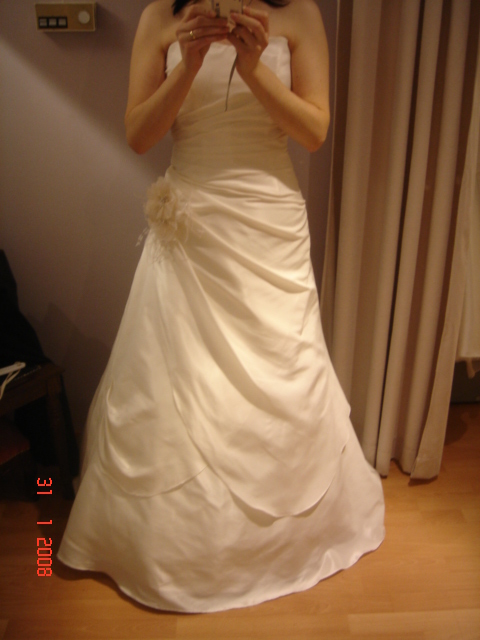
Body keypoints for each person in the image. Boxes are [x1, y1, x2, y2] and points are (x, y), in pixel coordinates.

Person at [58, 0, 385, 613]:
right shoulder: (161, 17)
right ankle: (173, 549)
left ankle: (289, 537)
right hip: (193, 217)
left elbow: (313, 132)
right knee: (174, 379)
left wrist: (255, 66)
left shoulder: (298, 14)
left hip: (268, 220)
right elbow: (139, 136)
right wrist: (189, 62)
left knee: (282, 367)